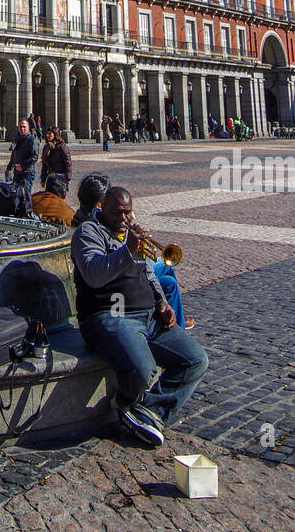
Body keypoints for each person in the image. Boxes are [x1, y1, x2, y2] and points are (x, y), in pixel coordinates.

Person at [71, 185, 208, 446]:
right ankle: (129, 405)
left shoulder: (132, 234)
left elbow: (149, 272)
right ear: (103, 208)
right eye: (116, 213)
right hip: (109, 315)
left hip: (148, 314)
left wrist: (162, 301)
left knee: (196, 360)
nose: (123, 218)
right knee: (144, 370)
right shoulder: (88, 232)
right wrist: (127, 250)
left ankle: (147, 412)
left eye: (127, 212)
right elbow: (93, 274)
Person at [5, 118, 38, 205]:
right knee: (15, 194)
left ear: (28, 127)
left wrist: (22, 166)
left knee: (25, 196)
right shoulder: (17, 139)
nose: (22, 129)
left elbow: (35, 157)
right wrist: (9, 168)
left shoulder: (32, 140)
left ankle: (27, 213)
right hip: (17, 173)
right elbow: (14, 155)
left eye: (24, 127)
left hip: (27, 173)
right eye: (20, 127)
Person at [40, 126, 72, 191]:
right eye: (47, 133)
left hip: (60, 177)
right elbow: (44, 164)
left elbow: (68, 163)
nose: (47, 135)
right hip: (50, 177)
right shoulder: (46, 147)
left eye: (50, 134)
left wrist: (68, 178)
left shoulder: (61, 147)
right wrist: (43, 179)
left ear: (55, 135)